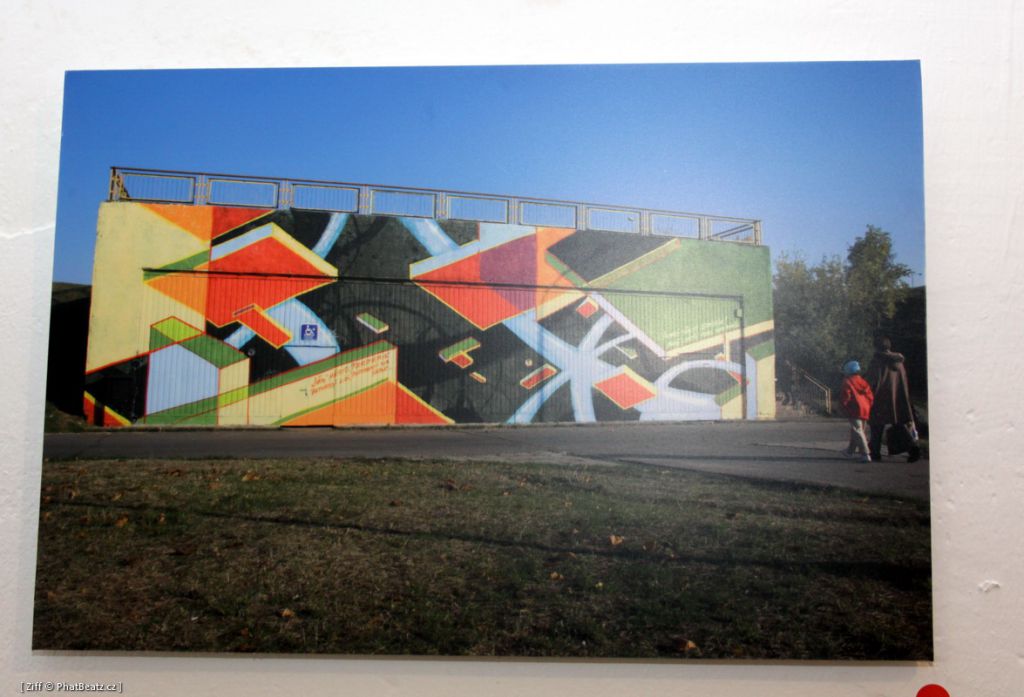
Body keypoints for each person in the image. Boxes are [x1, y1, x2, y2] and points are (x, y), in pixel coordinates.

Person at [865, 335, 922, 463]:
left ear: (876, 347)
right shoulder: (899, 362)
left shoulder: (878, 361)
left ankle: (875, 452)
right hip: (897, 398)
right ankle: (912, 448)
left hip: (880, 398)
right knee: (899, 424)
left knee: (876, 425)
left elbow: (871, 380)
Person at [839, 360, 874, 462]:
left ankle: (865, 454)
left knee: (858, 431)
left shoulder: (847, 381)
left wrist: (842, 407)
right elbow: (870, 396)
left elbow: (845, 396)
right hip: (865, 408)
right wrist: (868, 405)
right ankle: (850, 451)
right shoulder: (863, 381)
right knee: (858, 430)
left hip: (854, 409)